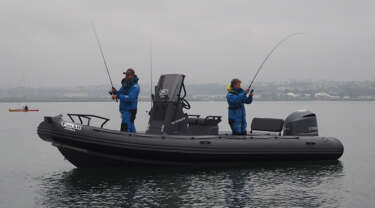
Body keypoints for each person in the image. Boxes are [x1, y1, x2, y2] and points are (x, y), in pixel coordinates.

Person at [111, 68, 140, 132]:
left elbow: (130, 98)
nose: (126, 76)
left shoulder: (135, 87)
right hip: (124, 111)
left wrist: (118, 96)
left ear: (132, 75)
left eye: (128, 75)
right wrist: (115, 92)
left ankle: (131, 140)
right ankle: (135, 139)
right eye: (126, 75)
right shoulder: (125, 85)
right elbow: (120, 93)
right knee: (130, 127)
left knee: (126, 128)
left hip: (130, 111)